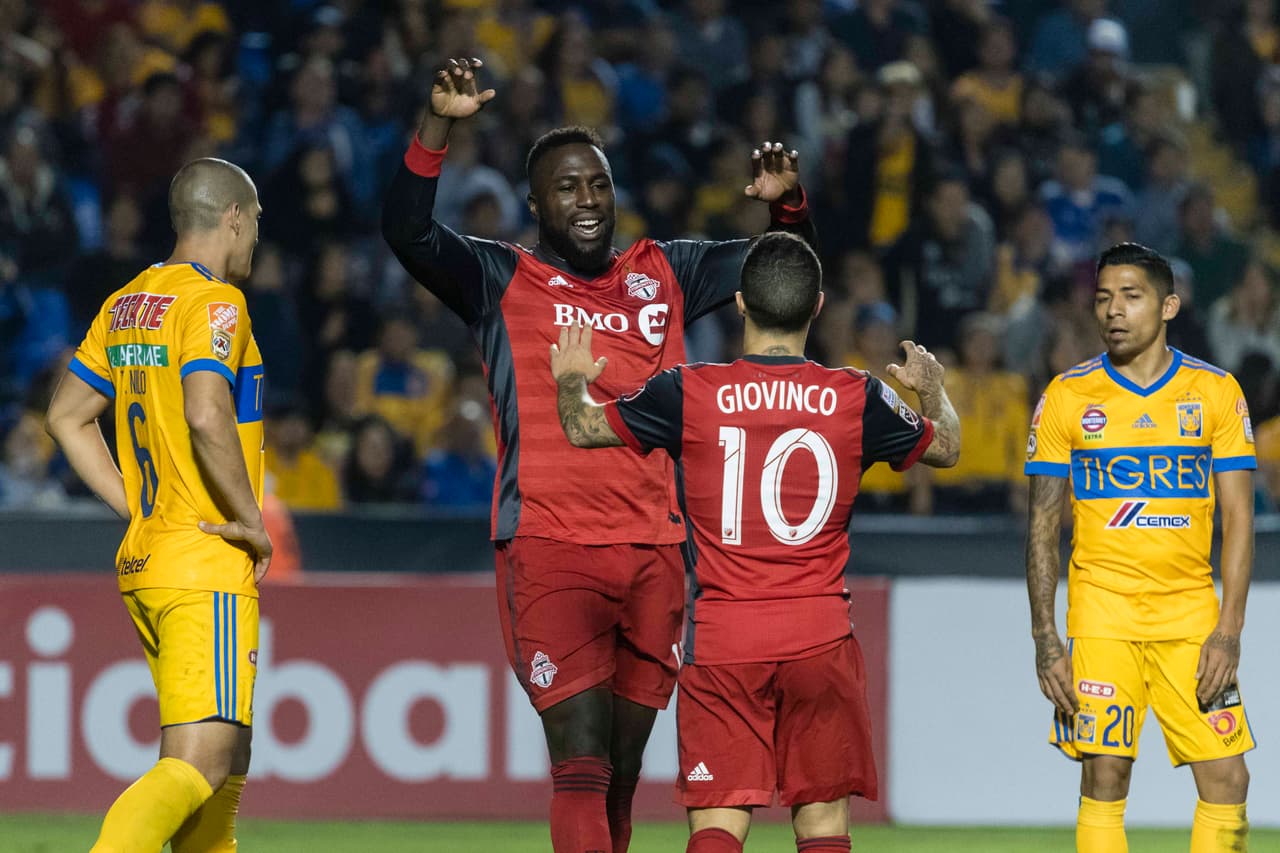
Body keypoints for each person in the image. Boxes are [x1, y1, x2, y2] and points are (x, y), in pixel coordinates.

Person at [381, 57, 816, 853]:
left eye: (598, 185)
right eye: (567, 188)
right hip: (551, 547)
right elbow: (407, 231)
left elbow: (784, 278)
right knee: (578, 765)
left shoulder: (666, 272)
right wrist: (437, 129)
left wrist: (786, 205)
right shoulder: (498, 276)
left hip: (656, 551)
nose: (587, 201)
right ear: (536, 204)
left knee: (621, 771)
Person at [549, 232, 960, 853]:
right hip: (819, 637)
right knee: (822, 826)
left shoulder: (687, 390)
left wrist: (571, 380)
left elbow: (582, 428)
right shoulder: (858, 395)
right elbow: (949, 448)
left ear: (739, 303)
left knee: (718, 823)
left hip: (725, 640)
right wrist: (932, 391)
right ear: (818, 306)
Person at [45, 157, 270, 853]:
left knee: (222, 765)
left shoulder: (127, 302)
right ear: (232, 216)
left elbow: (66, 416)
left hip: (151, 558)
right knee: (202, 762)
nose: (259, 236)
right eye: (256, 220)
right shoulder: (216, 303)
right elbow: (206, 413)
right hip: (206, 558)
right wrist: (253, 522)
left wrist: (139, 507)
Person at [1025, 242, 1254, 853]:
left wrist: (1228, 629)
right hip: (1102, 615)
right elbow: (1043, 523)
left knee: (1228, 778)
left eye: (1131, 296)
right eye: (1103, 298)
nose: (1113, 311)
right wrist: (1046, 637)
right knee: (1104, 774)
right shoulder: (1067, 396)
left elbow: (1238, 517)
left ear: (1169, 305)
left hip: (1191, 618)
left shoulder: (1216, 392)